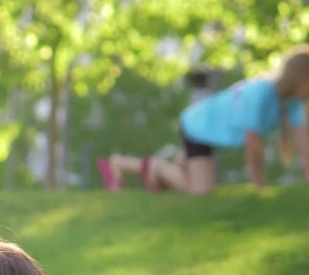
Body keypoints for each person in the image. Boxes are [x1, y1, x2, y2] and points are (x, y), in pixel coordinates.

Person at [98, 44, 309, 195]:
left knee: (179, 179)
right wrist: (261, 187)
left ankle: (141, 167)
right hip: (198, 128)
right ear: (299, 77)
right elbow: (252, 145)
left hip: (215, 133)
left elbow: (304, 144)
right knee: (200, 191)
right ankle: (152, 167)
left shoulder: (293, 103)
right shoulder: (260, 93)